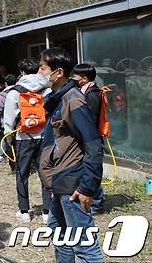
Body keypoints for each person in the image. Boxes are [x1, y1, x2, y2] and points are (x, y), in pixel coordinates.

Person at [39, 48, 104, 263]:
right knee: (58, 232)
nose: (39, 72)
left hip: (72, 183)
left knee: (83, 243)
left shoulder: (74, 100)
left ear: (58, 72)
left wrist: (86, 187)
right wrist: (51, 182)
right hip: (59, 182)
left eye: (42, 68)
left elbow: (93, 144)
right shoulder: (57, 100)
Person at [3, 58, 52, 223]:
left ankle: (24, 211)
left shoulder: (14, 92)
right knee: (44, 172)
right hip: (44, 136)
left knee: (22, 173)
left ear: (22, 72)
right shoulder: (47, 90)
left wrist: (9, 139)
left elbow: (8, 119)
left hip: (23, 137)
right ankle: (47, 212)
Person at [71, 63, 105, 214]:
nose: (73, 78)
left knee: (92, 171)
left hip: (91, 139)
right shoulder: (86, 91)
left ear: (84, 78)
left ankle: (97, 204)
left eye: (76, 76)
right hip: (87, 138)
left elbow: (89, 119)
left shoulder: (91, 94)